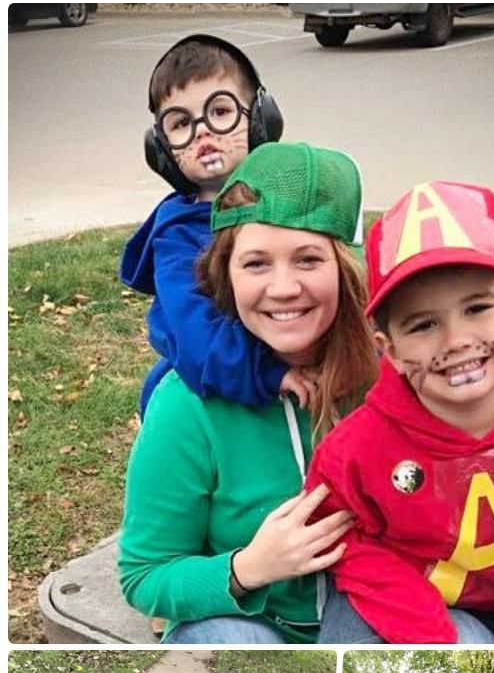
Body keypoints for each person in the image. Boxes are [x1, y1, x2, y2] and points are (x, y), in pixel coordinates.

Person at [306, 180, 494, 644]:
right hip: (393, 604)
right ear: (388, 350)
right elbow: (337, 533)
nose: (456, 341)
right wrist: (431, 633)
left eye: (477, 308)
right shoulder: (357, 447)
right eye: (423, 324)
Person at [119, 141, 378, 643]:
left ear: (346, 270)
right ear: (227, 274)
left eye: (307, 259)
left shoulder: (391, 381)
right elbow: (144, 575)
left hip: (376, 612)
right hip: (249, 622)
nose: (282, 288)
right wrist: (247, 567)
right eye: (256, 263)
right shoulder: (187, 404)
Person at [121, 34, 318, 417]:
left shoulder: (289, 201)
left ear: (261, 118)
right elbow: (191, 329)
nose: (204, 132)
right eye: (181, 123)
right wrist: (266, 372)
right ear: (161, 148)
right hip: (223, 386)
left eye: (221, 111)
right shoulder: (176, 239)